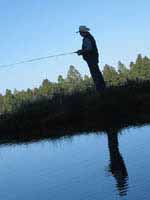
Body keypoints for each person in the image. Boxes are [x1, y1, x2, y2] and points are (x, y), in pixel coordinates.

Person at [76, 25, 106, 92]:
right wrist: (81, 51)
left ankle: (101, 90)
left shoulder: (87, 38)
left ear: (83, 32)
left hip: (91, 59)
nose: (80, 34)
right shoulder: (90, 37)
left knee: (95, 75)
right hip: (93, 58)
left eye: (80, 32)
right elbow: (89, 48)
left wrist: (81, 52)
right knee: (97, 73)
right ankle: (103, 88)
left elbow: (89, 49)